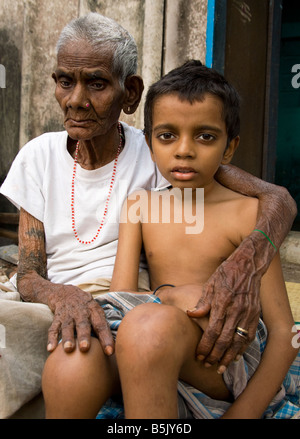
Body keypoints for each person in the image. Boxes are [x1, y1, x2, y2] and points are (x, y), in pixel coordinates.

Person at [0, 13, 297, 418]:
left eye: (98, 83)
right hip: (105, 311)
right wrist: (70, 297)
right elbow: (39, 277)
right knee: (71, 360)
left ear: (130, 93)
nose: (75, 100)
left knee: (143, 329)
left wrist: (244, 262)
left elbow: (276, 198)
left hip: (169, 331)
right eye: (65, 81)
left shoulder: (159, 153)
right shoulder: (42, 157)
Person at [67, 60, 296, 419]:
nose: (184, 149)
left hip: (219, 361)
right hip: (149, 343)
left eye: (205, 136)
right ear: (149, 142)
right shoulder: (140, 206)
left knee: (151, 326)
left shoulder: (249, 215)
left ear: (229, 147)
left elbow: (284, 333)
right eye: (167, 135)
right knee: (72, 360)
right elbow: (120, 299)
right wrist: (169, 296)